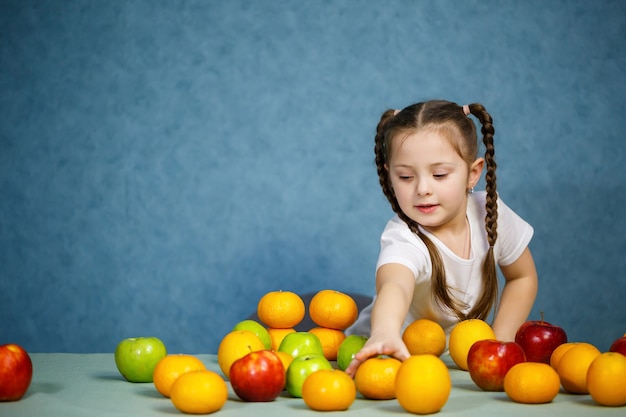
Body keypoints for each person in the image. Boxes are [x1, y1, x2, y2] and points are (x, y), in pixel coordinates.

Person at [345, 99, 538, 377]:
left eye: (439, 174)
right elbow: (395, 286)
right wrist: (384, 332)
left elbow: (523, 277)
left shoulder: (491, 213)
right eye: (406, 176)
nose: (423, 188)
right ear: (389, 176)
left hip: (446, 364)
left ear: (473, 174)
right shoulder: (404, 236)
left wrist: (499, 343)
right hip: (383, 355)